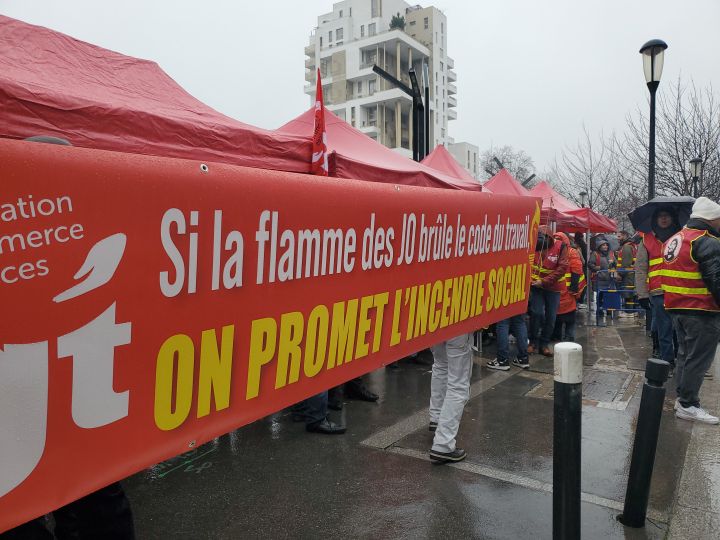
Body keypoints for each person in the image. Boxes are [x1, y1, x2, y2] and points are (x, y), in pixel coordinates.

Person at [661, 197, 720, 424]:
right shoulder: (707, 241)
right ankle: (688, 403)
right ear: (712, 219)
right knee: (699, 359)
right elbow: (716, 279)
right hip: (701, 309)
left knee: (685, 355)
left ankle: (682, 399)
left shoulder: (675, 239)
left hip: (677, 307)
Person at [635, 208, 681, 368]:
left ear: (672, 217)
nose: (663, 219)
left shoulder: (681, 237)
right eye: (660, 216)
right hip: (658, 291)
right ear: (655, 219)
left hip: (679, 290)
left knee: (680, 329)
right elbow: (640, 268)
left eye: (666, 215)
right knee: (664, 329)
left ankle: (680, 359)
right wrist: (642, 294)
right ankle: (667, 361)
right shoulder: (646, 240)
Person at [428, 333, 473, 463]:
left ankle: (437, 418)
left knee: (440, 366)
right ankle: (443, 444)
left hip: (435, 320)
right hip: (460, 322)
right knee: (458, 384)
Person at [529, 225, 569, 356]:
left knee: (551, 317)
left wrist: (544, 281)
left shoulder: (561, 246)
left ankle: (544, 343)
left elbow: (562, 267)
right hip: (536, 286)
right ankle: (533, 342)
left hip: (553, 287)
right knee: (537, 313)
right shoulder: (532, 244)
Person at [552, 232, 586, 342]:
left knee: (569, 315)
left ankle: (568, 335)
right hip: (558, 288)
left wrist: (574, 287)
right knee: (557, 315)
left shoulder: (571, 252)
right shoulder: (556, 252)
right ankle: (557, 335)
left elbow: (577, 270)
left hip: (568, 290)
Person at [589, 237, 621, 323]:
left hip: (610, 279)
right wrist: (597, 268)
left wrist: (614, 263)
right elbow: (590, 264)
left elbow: (615, 265)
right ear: (599, 246)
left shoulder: (611, 254)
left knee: (609, 296)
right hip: (599, 279)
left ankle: (609, 312)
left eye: (606, 245)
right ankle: (599, 311)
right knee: (599, 296)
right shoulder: (595, 254)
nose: (605, 246)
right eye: (603, 245)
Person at [616, 230, 638, 317]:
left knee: (628, 294)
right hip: (631, 274)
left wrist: (619, 274)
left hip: (628, 275)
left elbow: (625, 264)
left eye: (619, 236)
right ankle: (632, 312)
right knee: (631, 293)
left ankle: (629, 313)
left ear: (625, 236)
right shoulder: (633, 245)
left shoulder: (626, 247)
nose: (617, 239)